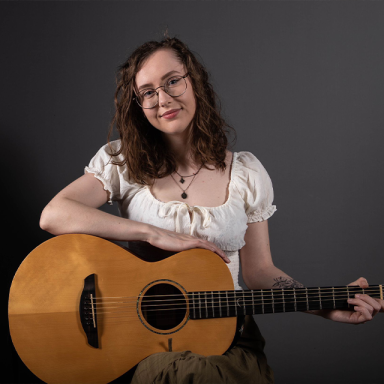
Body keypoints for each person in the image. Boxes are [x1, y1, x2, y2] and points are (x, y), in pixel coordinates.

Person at [40, 37, 383, 384]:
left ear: (195, 81)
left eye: (173, 80)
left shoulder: (247, 173)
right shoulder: (122, 162)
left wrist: (325, 305)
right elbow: (54, 214)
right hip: (149, 343)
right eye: (147, 92)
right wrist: (155, 233)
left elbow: (260, 272)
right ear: (138, 104)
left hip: (225, 337)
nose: (163, 99)